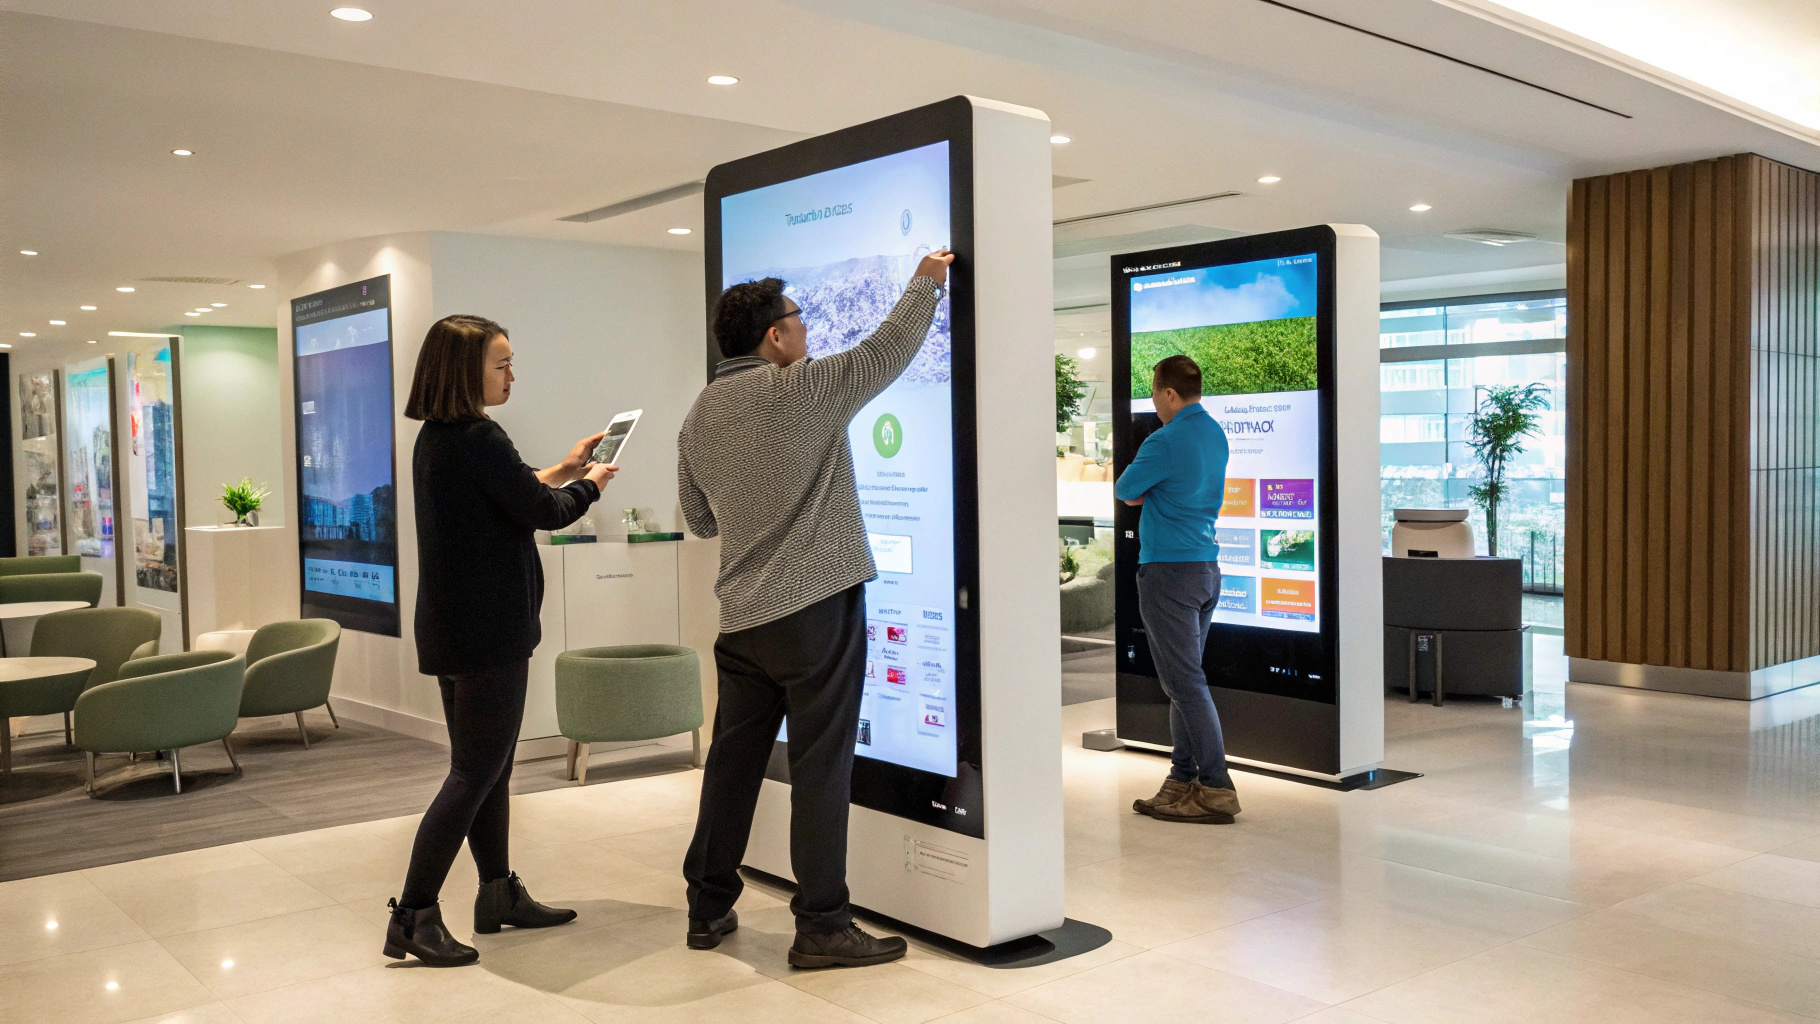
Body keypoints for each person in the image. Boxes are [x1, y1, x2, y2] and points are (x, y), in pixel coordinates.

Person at [677, 249, 953, 968]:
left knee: (732, 766)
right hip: (815, 612)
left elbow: (700, 521)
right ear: (775, 337)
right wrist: (926, 281)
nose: (808, 332)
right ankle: (823, 925)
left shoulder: (700, 413)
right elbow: (887, 351)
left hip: (742, 619)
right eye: (800, 321)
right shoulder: (800, 389)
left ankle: (707, 907)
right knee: (821, 768)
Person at [384, 314, 616, 967]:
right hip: (489, 632)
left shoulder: (440, 438)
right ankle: (413, 916)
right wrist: (589, 485)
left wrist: (563, 467)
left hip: (453, 629)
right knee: (473, 774)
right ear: (467, 372)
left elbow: (506, 497)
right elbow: (543, 512)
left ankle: (497, 894)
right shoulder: (481, 437)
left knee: (487, 770)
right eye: (502, 363)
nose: (512, 374)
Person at [1114, 354, 1241, 825]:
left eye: (1153, 392)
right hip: (1206, 569)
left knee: (1184, 683)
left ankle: (1216, 785)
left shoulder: (1164, 441)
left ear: (1170, 393)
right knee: (1184, 682)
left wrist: (1152, 490)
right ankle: (1181, 780)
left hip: (1168, 572)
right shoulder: (1215, 433)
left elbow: (1127, 489)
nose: (1153, 401)